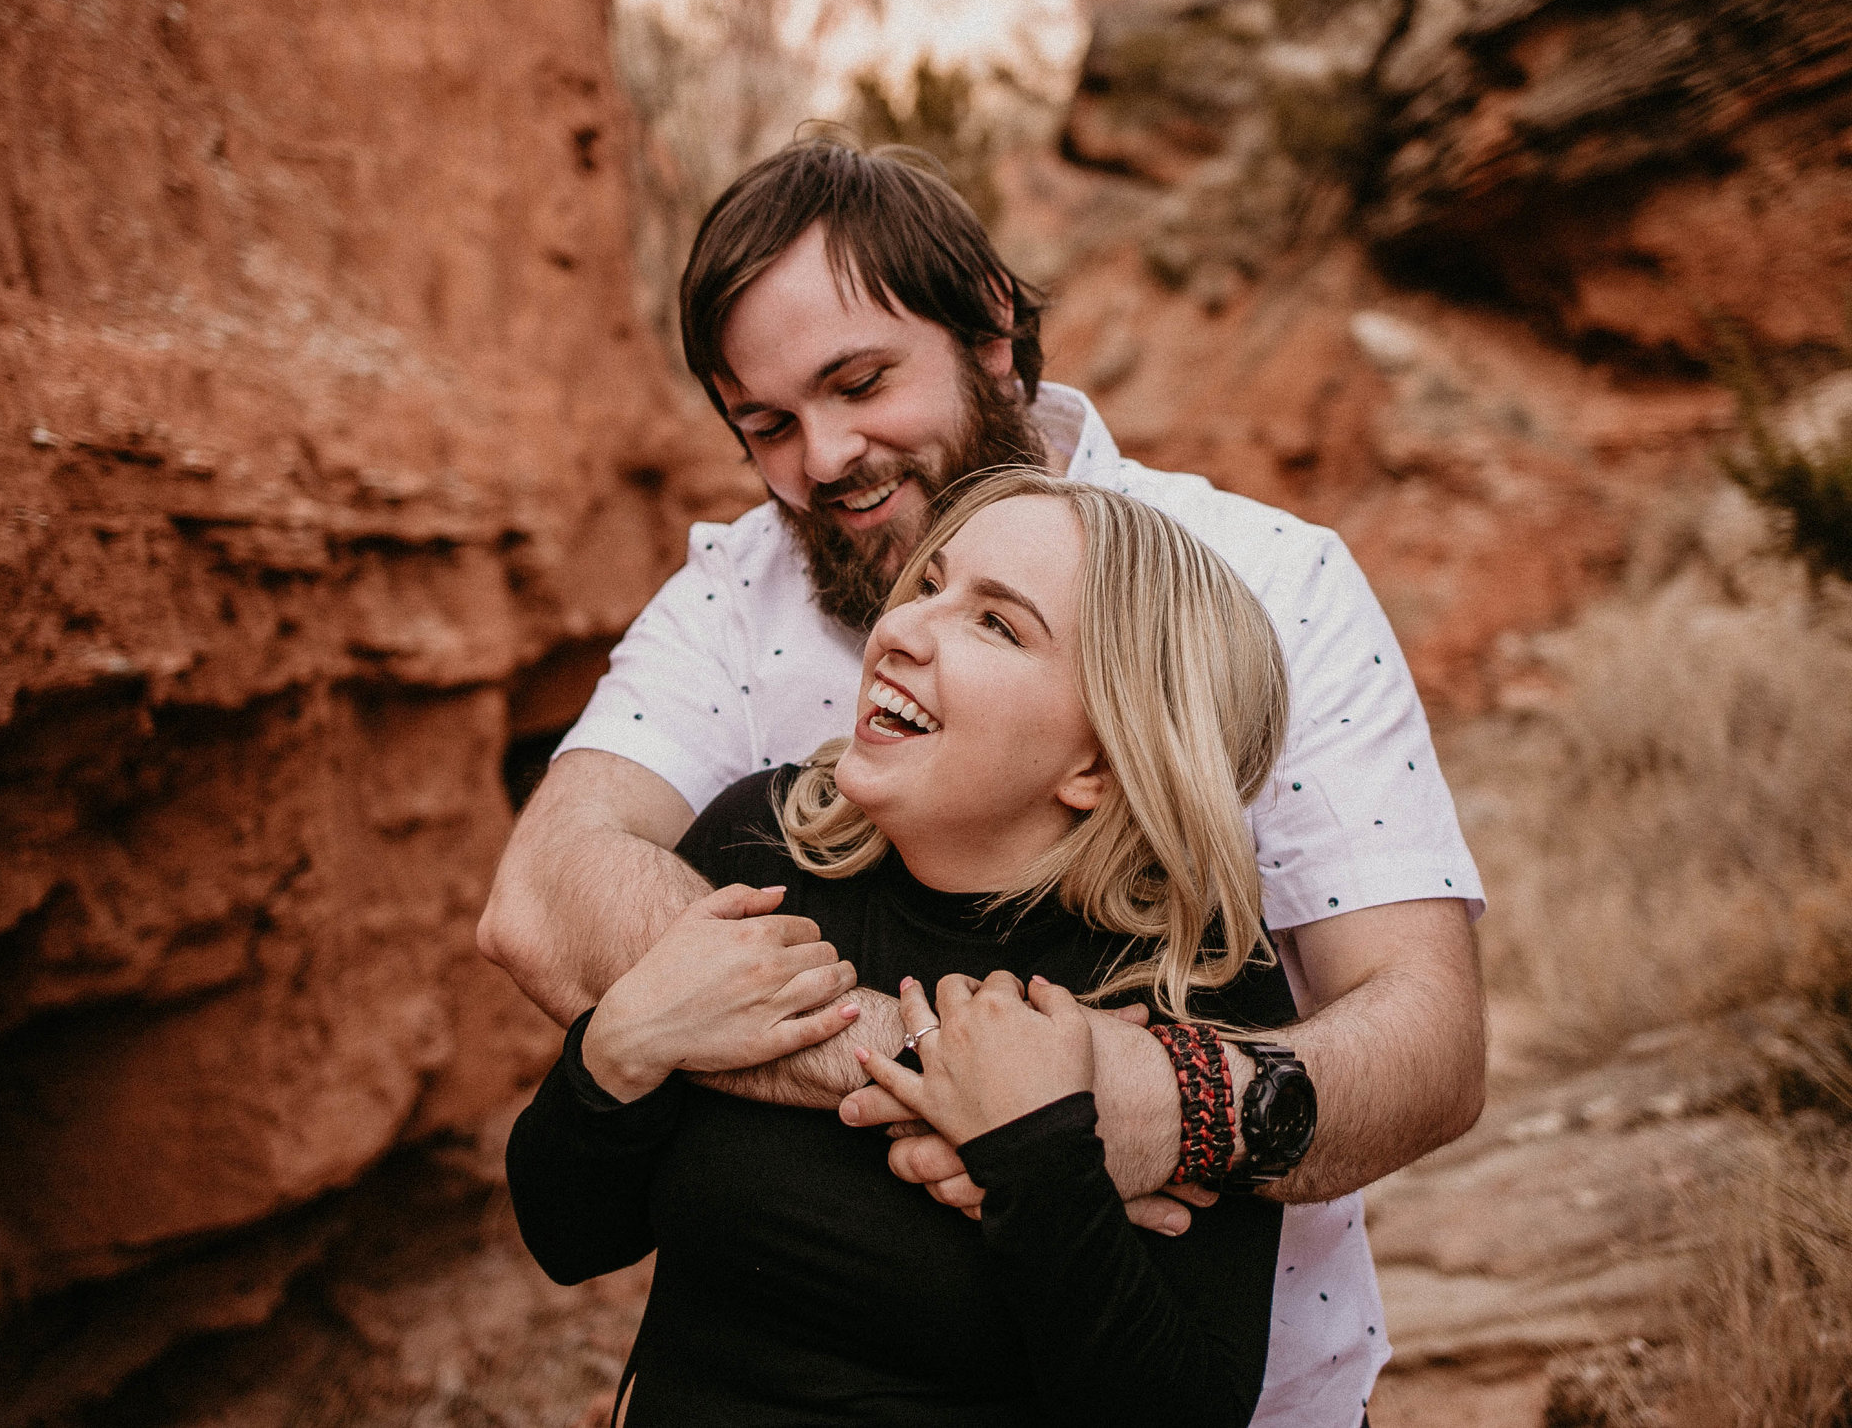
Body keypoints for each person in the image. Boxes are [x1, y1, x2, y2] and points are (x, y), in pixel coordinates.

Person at [478, 136, 1487, 1426]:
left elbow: (1428, 1038)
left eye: (859, 380)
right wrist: (947, 1063)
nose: (824, 457)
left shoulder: (1269, 582)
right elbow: (546, 892)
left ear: (993, 332)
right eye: (767, 422)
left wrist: (1136, 1108)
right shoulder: (736, 604)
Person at [508, 471, 1305, 1426]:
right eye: (929, 585)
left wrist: (1039, 1163)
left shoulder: (1195, 983)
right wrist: (620, 1045)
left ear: (1098, 762)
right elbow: (569, 1235)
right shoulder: (765, 845)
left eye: (997, 624)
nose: (903, 629)